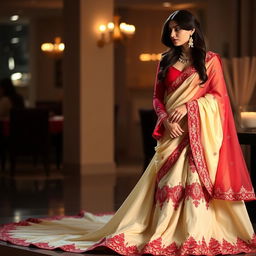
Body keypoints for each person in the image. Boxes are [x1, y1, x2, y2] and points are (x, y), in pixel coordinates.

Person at [1, 10, 256, 255]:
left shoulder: (210, 60)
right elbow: (157, 98)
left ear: (192, 31)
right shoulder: (165, 59)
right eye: (170, 30)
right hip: (172, 132)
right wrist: (166, 118)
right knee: (168, 184)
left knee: (194, 184)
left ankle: (194, 233)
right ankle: (163, 230)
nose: (173, 34)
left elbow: (218, 99)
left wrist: (190, 107)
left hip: (195, 135)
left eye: (178, 29)